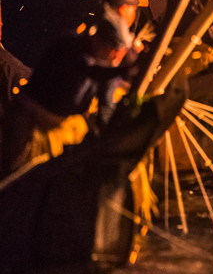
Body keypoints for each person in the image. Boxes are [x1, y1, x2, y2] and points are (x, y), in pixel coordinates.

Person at [1, 14, 133, 177]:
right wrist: (123, 71)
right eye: (115, 52)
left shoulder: (107, 66)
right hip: (30, 122)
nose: (117, 58)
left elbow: (105, 105)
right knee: (14, 174)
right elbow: (87, 70)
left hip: (60, 129)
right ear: (99, 42)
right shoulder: (69, 47)